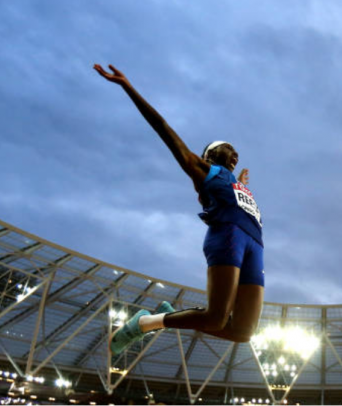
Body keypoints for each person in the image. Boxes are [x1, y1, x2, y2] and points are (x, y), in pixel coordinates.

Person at [94, 64, 264, 354]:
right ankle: (146, 323)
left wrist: (243, 181)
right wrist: (128, 88)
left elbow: (239, 194)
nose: (235, 153)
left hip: (255, 244)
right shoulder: (203, 170)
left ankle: (162, 316)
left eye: (236, 152)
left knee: (243, 333)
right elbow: (163, 128)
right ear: (208, 155)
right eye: (228, 149)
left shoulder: (236, 185)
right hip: (228, 238)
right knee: (215, 317)